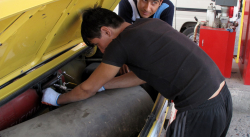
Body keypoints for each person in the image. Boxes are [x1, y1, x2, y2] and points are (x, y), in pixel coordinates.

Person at [42, 8, 232, 137]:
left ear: (106, 31)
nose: (100, 51)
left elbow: (86, 90)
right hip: (222, 97)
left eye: (97, 44)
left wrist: (57, 99)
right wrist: (104, 85)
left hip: (200, 110)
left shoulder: (120, 44)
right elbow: (143, 75)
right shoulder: (148, 24)